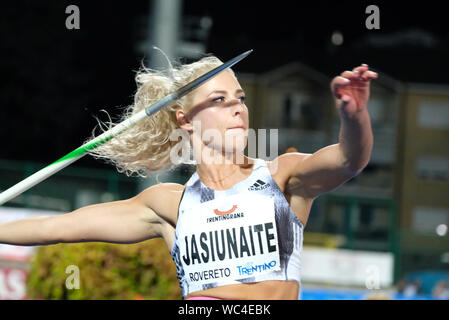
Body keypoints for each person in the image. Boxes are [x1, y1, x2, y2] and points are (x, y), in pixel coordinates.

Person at [0, 54, 378, 300]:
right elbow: (59, 227)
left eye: (240, 98)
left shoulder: (282, 176)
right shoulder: (170, 204)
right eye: (219, 100)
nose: (237, 109)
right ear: (185, 120)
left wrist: (354, 115)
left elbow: (349, 159)